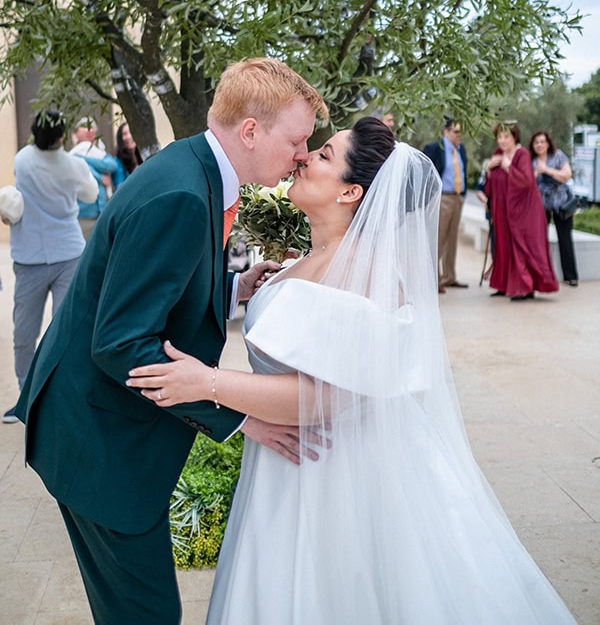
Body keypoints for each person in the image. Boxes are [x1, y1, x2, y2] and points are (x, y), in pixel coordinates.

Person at [128, 117, 575, 624]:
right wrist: (245, 290)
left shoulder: (371, 275)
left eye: (323, 156)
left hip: (337, 474)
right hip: (286, 466)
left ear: (350, 193)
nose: (305, 157)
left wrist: (207, 384)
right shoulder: (307, 257)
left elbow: (329, 399)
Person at [15, 58, 328, 624]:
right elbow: (122, 344)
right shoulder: (183, 194)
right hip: (100, 443)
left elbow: (162, 287)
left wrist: (233, 287)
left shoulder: (198, 169)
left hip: (100, 429)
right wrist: (237, 415)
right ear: (251, 131)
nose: (304, 153)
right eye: (299, 139)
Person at [3, 111, 98, 424]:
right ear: (61, 136)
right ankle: (59, 398)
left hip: (29, 255)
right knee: (65, 330)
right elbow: (91, 194)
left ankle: (25, 399)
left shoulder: (22, 160)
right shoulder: (73, 164)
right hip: (68, 253)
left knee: (24, 332)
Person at [485, 122, 558, 301]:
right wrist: (488, 168)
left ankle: (525, 287)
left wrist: (509, 167)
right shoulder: (497, 154)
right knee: (503, 246)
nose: (501, 141)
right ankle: (504, 284)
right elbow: (492, 183)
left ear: (514, 137)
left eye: (505, 137)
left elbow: (526, 182)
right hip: (503, 210)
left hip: (524, 210)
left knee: (522, 246)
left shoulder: (522, 154)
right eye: (499, 137)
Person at [423, 115, 468, 292]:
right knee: (438, 239)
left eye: (461, 133)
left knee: (452, 239)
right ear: (446, 131)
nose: (459, 136)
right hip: (442, 198)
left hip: (457, 198)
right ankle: (434, 279)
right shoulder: (435, 148)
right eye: (456, 132)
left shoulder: (461, 149)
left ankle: (450, 276)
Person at [529, 131, 579, 287]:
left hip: (561, 204)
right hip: (539, 206)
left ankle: (570, 276)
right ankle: (542, 275)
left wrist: (548, 170)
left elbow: (567, 175)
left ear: (548, 143)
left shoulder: (557, 156)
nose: (539, 145)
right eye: (536, 142)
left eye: (542, 142)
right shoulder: (531, 161)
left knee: (565, 240)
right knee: (539, 241)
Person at [69, 117, 117, 239]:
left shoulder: (99, 151)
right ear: (76, 133)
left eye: (92, 127)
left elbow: (111, 165)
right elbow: (83, 170)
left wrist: (84, 159)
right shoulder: (72, 155)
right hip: (83, 213)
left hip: (102, 211)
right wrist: (100, 177)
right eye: (84, 126)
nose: (89, 130)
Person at [112, 121, 142, 189]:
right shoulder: (117, 162)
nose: (129, 137)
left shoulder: (144, 157)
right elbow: (120, 187)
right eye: (125, 134)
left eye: (131, 132)